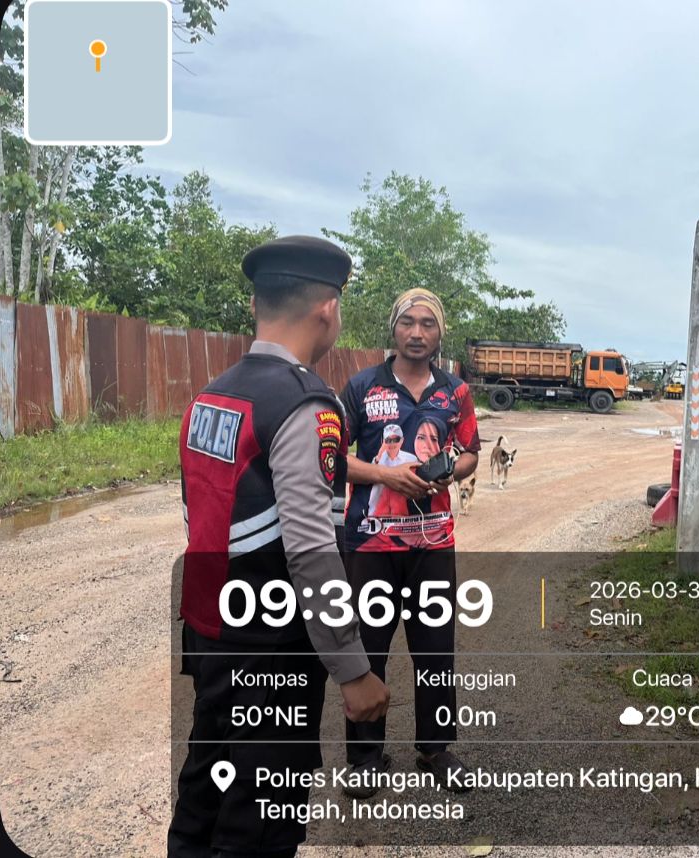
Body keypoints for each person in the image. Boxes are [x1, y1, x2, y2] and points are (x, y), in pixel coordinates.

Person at [168, 236, 391, 858]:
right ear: (328, 309)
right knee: (261, 822)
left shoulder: (211, 395)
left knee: (204, 796)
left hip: (213, 637)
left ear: (254, 305)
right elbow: (312, 550)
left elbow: (197, 517)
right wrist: (353, 670)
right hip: (270, 653)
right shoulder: (306, 404)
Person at [338, 287, 480, 797]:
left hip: (433, 544)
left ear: (440, 333)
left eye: (428, 324)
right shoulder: (361, 388)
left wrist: (448, 471)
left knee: (436, 651)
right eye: (408, 323)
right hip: (371, 545)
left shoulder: (455, 392)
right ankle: (365, 757)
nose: (417, 333)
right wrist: (386, 475)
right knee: (367, 651)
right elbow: (333, 458)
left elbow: (470, 452)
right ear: (394, 328)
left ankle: (435, 750)